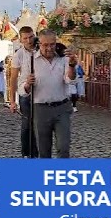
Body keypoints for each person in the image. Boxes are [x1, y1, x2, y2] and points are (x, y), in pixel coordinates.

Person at [18, 30, 75, 158]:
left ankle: (62, 176)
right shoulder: (31, 61)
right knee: (44, 150)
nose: (49, 48)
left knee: (64, 147)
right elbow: (22, 88)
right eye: (45, 45)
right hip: (41, 109)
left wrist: (72, 65)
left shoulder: (63, 58)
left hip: (62, 108)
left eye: (52, 44)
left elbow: (70, 80)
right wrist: (27, 84)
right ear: (39, 43)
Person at [10, 27, 39, 157]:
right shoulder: (18, 55)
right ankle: (26, 153)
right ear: (21, 39)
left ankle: (37, 153)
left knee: (39, 125)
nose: (29, 40)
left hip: (41, 91)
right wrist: (12, 101)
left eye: (31, 37)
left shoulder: (41, 50)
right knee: (27, 124)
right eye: (25, 38)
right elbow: (13, 78)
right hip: (25, 92)